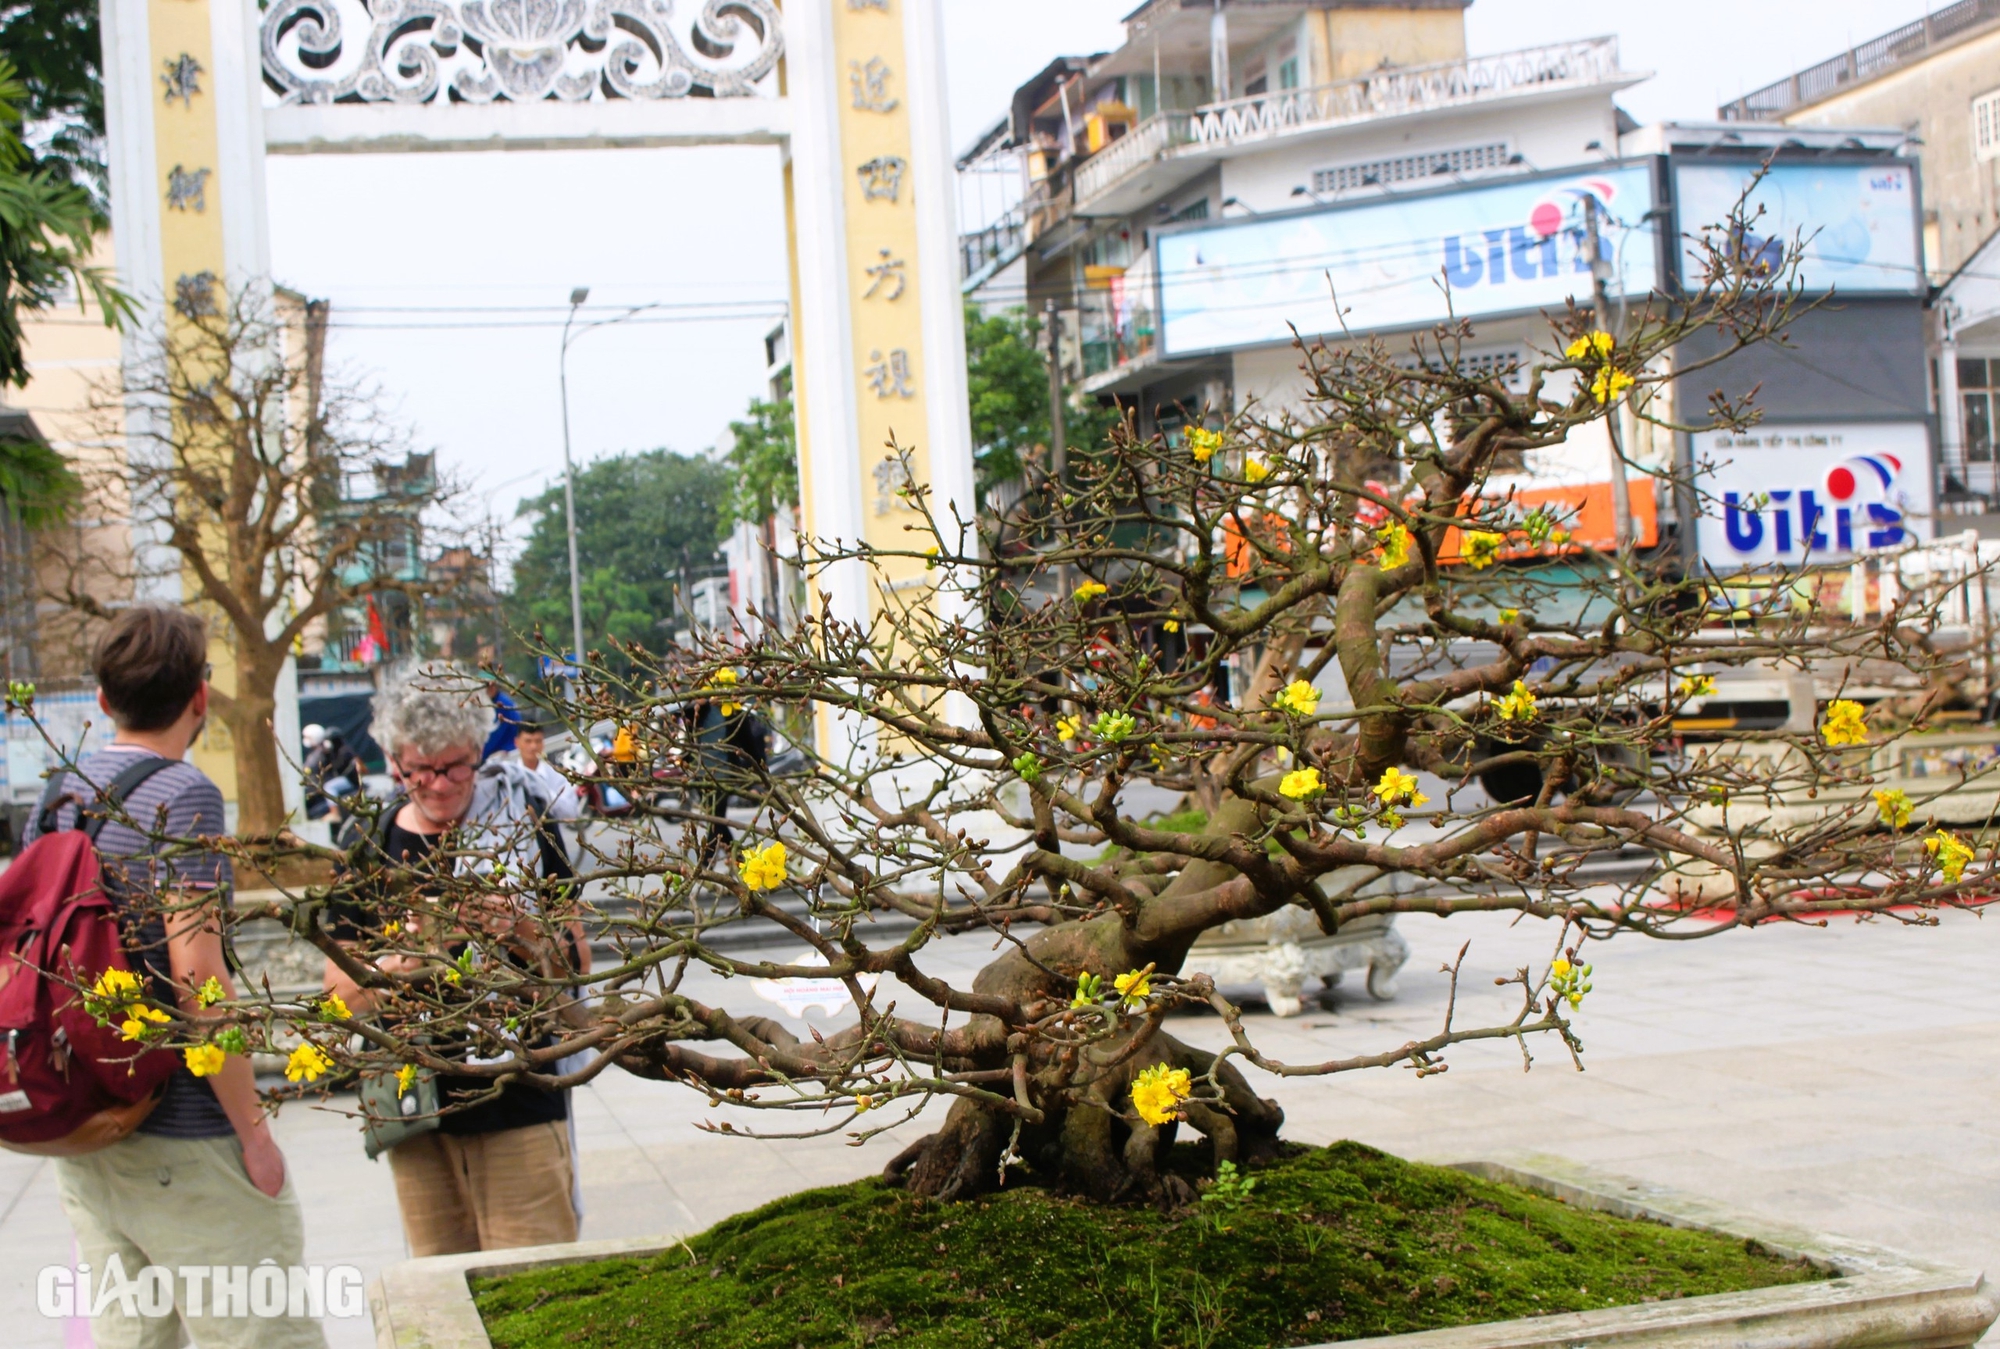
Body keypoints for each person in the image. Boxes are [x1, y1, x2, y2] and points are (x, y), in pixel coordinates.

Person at [27, 606, 324, 1349]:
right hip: (184, 1131)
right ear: (199, 697)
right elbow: (198, 980)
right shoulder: (181, 795)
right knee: (263, 1331)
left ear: (103, 700)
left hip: (92, 1129)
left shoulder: (59, 795)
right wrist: (254, 1134)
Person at [324, 675, 588, 1256]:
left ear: (479, 753)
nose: (438, 786)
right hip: (416, 1113)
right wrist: (402, 959)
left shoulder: (525, 825)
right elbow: (339, 995)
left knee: (539, 1287)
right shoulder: (369, 845)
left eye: (456, 768)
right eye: (419, 770)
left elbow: (576, 969)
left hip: (519, 1096)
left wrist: (519, 927)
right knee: (443, 1298)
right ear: (393, 761)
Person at [514, 722, 583, 822]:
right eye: (528, 741)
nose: (533, 746)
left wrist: (545, 792)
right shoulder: (510, 776)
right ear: (517, 742)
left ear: (543, 743)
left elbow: (571, 812)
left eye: (538, 741)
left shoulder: (556, 775)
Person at [481, 679, 523, 761]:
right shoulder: (483, 703)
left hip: (504, 754)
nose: (488, 689)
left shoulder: (504, 704)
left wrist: (508, 749)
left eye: (490, 685)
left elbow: (517, 729)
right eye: (485, 685)